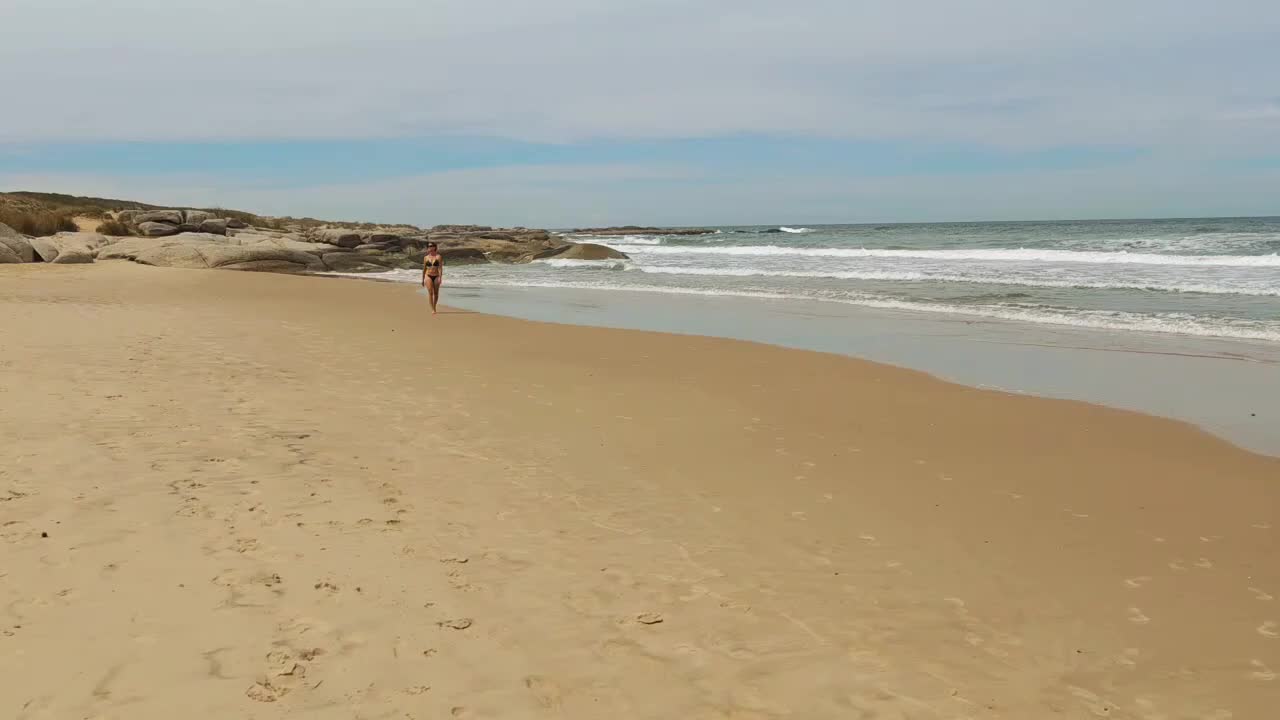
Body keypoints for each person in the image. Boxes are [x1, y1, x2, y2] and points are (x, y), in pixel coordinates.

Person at [421, 242, 444, 314]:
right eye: (429, 246)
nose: (430, 247)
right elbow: (424, 268)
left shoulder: (438, 257)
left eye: (431, 246)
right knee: (430, 292)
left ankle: (434, 306)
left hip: (436, 275)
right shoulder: (425, 257)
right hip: (428, 275)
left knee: (436, 293)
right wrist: (422, 279)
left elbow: (440, 268)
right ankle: (432, 309)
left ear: (435, 247)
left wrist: (440, 277)